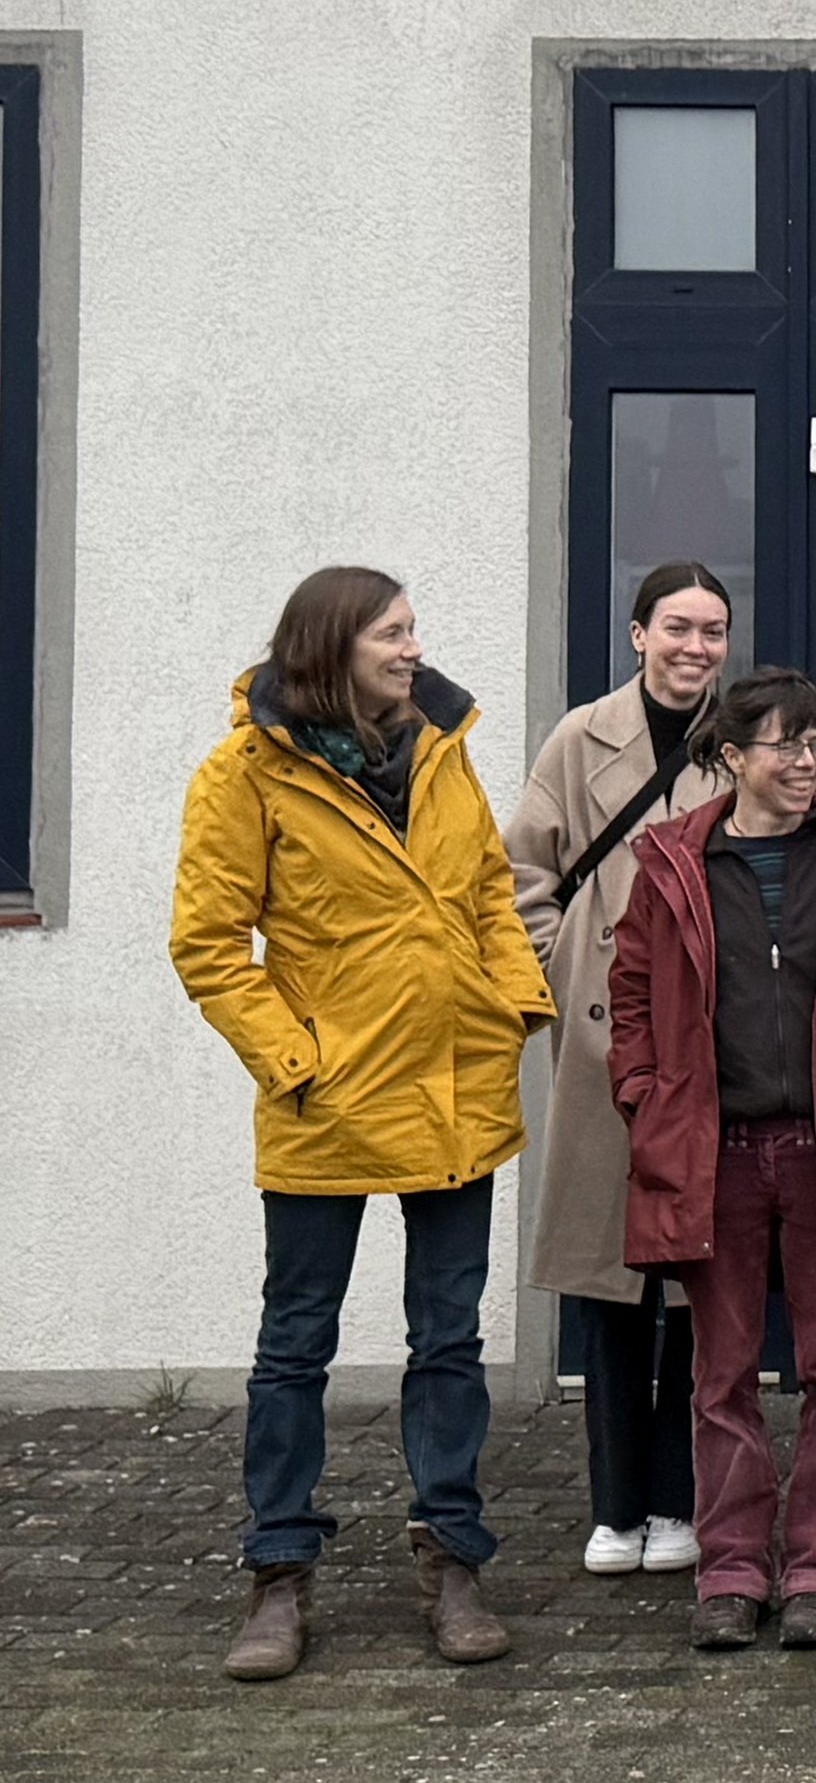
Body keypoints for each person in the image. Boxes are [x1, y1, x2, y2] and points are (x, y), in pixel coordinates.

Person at [174, 567, 560, 1680]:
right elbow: (208, 946)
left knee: (448, 1339)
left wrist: (515, 1005)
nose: (411, 648)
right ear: (332, 645)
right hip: (328, 1100)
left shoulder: (441, 745)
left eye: (411, 631)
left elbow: (488, 890)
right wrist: (297, 1060)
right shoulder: (246, 772)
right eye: (392, 632)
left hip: (454, 1086)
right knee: (295, 1344)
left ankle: (451, 1559)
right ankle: (278, 1573)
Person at [611, 668, 816, 1652]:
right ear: (729, 757)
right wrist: (647, 1103)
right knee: (722, 1373)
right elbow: (632, 995)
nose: (805, 762)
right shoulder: (674, 864)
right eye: (784, 745)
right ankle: (734, 1566)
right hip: (717, 1152)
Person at [504, 563, 728, 1579]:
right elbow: (520, 874)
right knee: (608, 1281)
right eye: (676, 628)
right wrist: (561, 963)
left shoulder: (744, 740)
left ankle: (679, 1501)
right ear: (638, 634)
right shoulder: (577, 737)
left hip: (709, 1044)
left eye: (713, 631)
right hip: (599, 1040)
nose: (695, 647)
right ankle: (614, 1503)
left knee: (693, 1277)